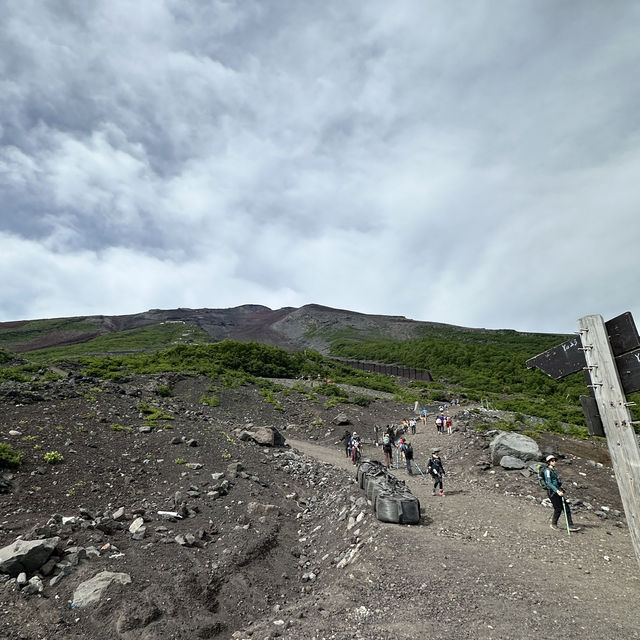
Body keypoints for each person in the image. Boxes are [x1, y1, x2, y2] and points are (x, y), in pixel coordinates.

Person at [543, 455, 581, 532]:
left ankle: (570, 525)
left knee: (566, 508)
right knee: (558, 509)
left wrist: (560, 489)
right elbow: (549, 483)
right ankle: (554, 524)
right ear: (549, 462)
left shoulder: (554, 470)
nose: (554, 462)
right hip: (552, 492)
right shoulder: (547, 471)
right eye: (552, 461)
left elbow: (556, 481)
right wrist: (557, 491)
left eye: (555, 460)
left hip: (558, 491)